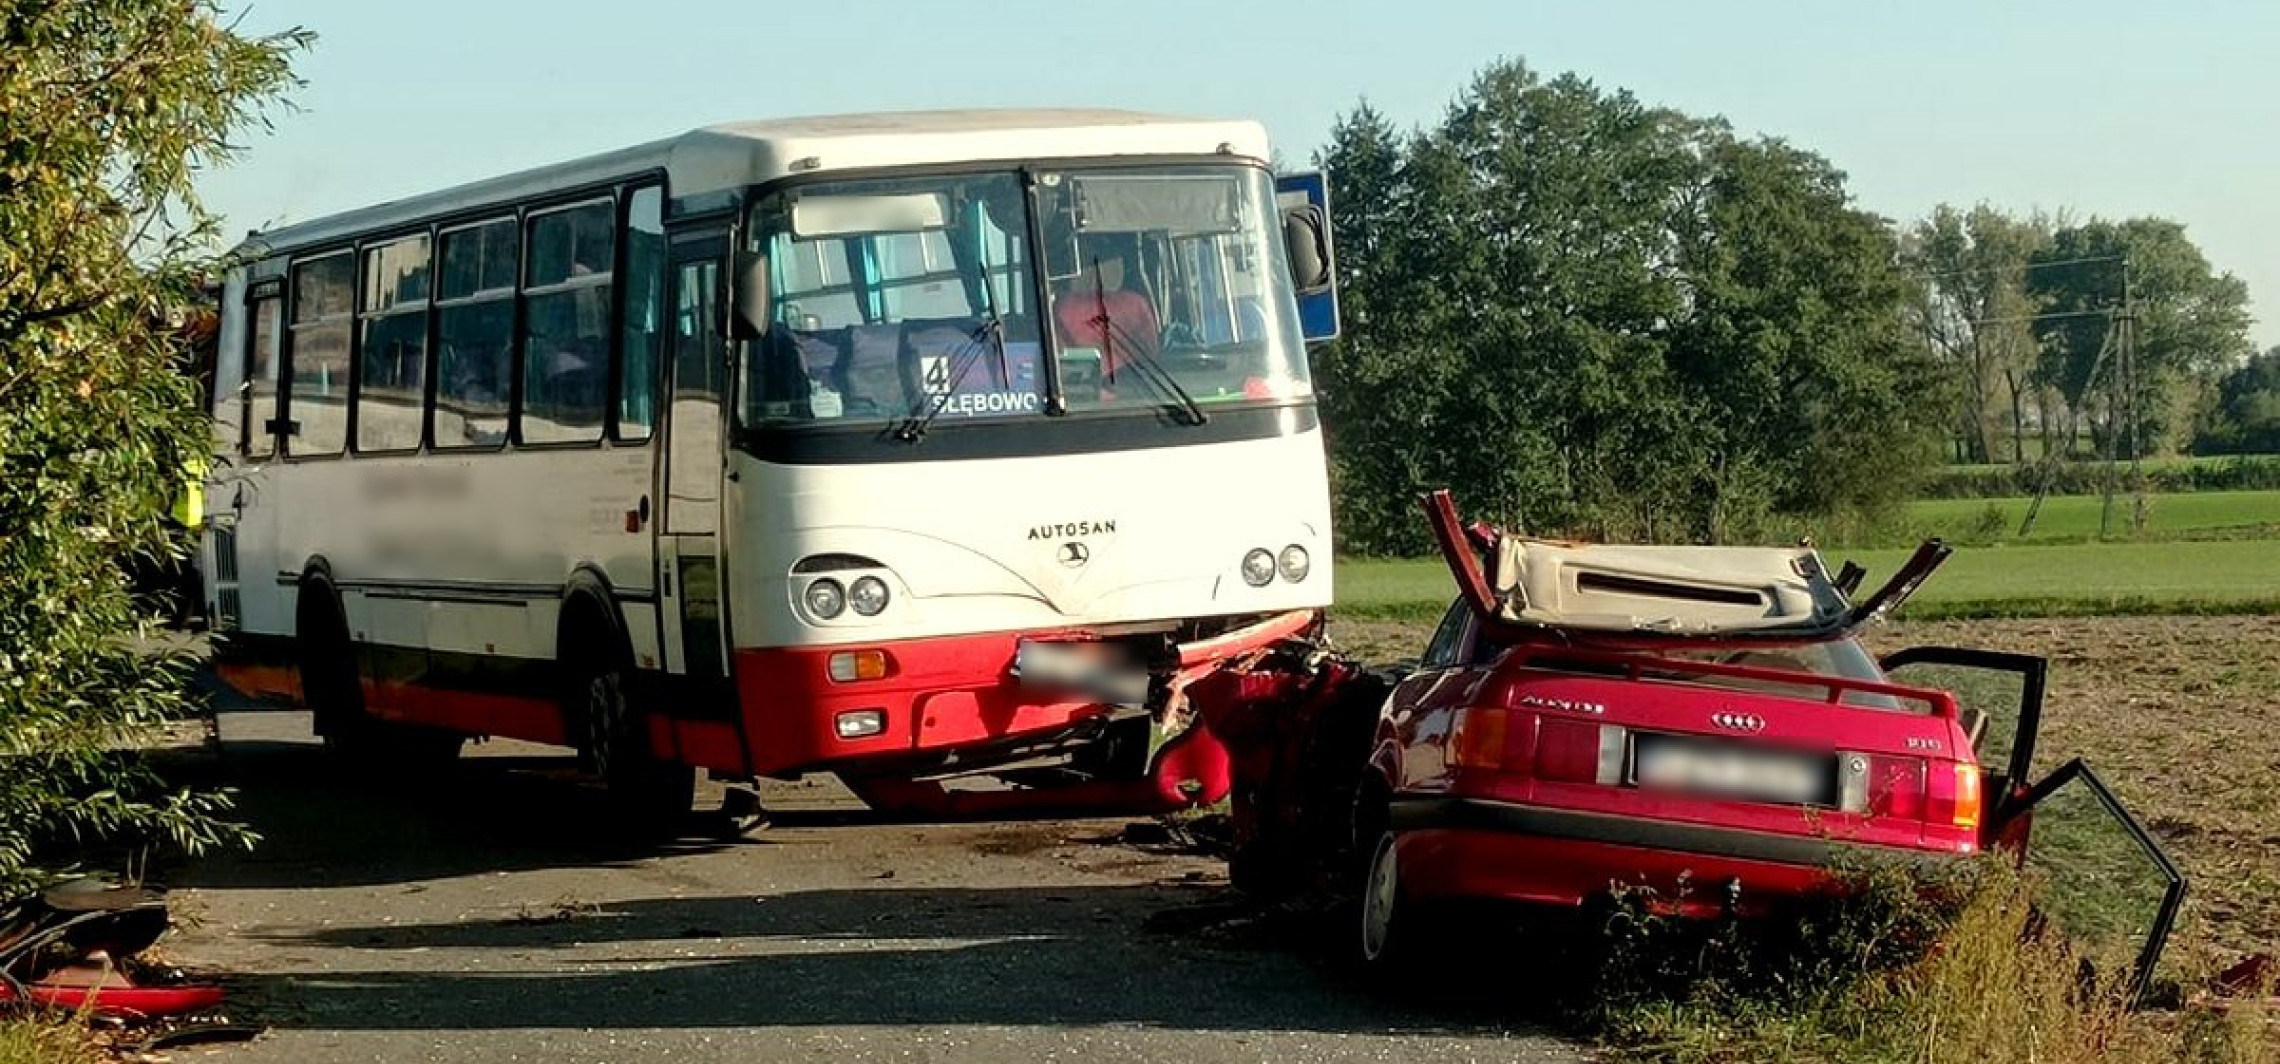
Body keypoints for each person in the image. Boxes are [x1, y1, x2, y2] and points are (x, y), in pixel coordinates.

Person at [1051, 238, 1159, 383]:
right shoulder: (1136, 305)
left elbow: (1057, 361)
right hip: (1133, 395)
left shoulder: (1061, 307)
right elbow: (1152, 360)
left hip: (1082, 394)